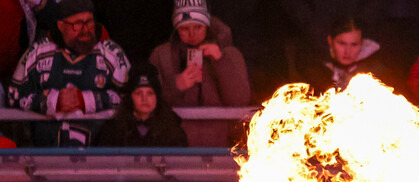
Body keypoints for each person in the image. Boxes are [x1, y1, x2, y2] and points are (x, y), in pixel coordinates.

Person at [8, 0, 130, 147]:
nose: (85, 29)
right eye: (77, 24)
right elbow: (13, 97)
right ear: (60, 26)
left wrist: (86, 101)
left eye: (89, 22)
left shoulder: (112, 53)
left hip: (101, 159)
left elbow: (132, 98)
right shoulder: (37, 53)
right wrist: (53, 101)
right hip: (42, 158)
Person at [149, 0, 251, 148]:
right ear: (176, 28)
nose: (192, 34)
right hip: (174, 151)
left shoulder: (230, 54)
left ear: (207, 25)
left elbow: (240, 100)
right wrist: (176, 85)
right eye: (184, 28)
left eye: (198, 27)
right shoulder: (162, 56)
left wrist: (220, 61)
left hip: (222, 149)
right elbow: (144, 104)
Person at [96, 62, 187, 147]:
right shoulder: (112, 130)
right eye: (138, 93)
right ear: (130, 97)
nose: (144, 99)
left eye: (150, 93)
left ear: (157, 97)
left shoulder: (173, 130)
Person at [304, 16, 392, 94]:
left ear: (362, 43)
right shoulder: (313, 66)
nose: (347, 51)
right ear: (330, 41)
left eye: (354, 44)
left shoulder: (378, 73)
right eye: (342, 43)